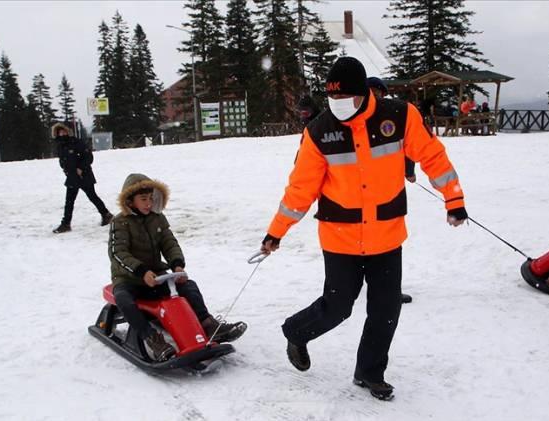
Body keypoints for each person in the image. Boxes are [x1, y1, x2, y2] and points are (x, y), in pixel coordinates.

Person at [260, 57, 468, 400]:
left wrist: (454, 199)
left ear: (365, 95)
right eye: (333, 101)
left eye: (347, 101)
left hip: (386, 235)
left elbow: (432, 156)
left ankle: (369, 372)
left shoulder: (399, 116)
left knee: (386, 310)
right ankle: (296, 331)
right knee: (338, 306)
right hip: (340, 237)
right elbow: (300, 189)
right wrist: (276, 231)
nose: (339, 108)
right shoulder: (318, 132)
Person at [108, 173, 247, 361]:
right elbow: (118, 253)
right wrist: (141, 271)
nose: (148, 203)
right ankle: (151, 338)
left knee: (189, 286)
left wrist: (177, 265)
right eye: (143, 199)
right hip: (129, 279)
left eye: (151, 199)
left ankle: (208, 324)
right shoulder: (120, 222)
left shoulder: (157, 218)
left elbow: (169, 243)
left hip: (157, 276)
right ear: (130, 201)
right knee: (124, 300)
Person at [367, 76, 414, 304]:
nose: (375, 96)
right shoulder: (356, 119)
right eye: (371, 92)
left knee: (391, 246)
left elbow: (408, 146)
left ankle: (391, 290)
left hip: (391, 195)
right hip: (362, 196)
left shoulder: (394, 116)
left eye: (379, 92)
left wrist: (409, 169)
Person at [52, 123, 113, 233]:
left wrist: (80, 168)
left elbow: (88, 156)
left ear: (68, 132)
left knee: (92, 196)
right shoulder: (60, 145)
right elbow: (63, 160)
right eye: (59, 132)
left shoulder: (76, 142)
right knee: (69, 201)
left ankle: (106, 215)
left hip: (84, 175)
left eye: (64, 131)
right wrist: (65, 170)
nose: (62, 134)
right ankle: (66, 223)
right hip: (72, 177)